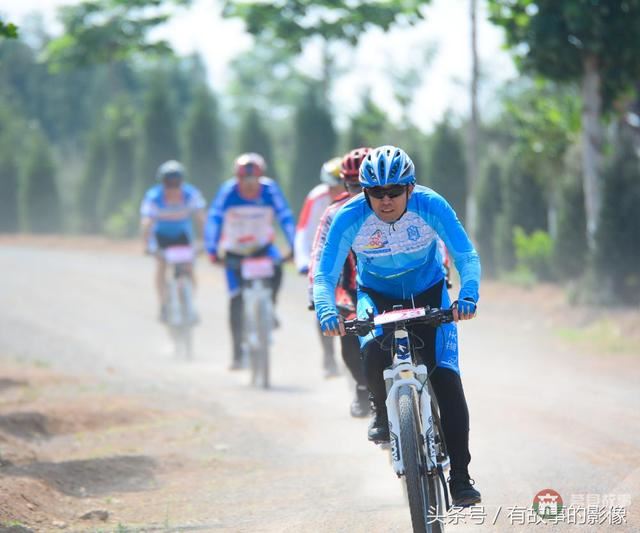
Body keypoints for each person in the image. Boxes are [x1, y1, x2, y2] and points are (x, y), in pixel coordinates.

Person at [313, 145, 482, 507]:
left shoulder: (431, 205)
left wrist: (467, 294)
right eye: (375, 192)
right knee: (371, 354)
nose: (385, 200)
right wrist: (327, 309)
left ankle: (462, 476)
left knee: (447, 381)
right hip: (376, 295)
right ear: (364, 192)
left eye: (393, 192)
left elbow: (466, 254)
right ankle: (380, 408)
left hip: (430, 293)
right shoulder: (349, 216)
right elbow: (325, 274)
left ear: (410, 188)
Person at [205, 152, 295, 370]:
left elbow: (285, 217)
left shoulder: (270, 190)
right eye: (243, 180)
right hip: (235, 250)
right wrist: (212, 249)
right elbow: (215, 219)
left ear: (260, 178)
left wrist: (293, 246)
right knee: (236, 300)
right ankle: (237, 354)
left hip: (262, 248)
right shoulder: (228, 192)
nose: (248, 185)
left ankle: (270, 308)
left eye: (252, 180)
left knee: (278, 269)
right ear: (237, 179)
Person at [308, 147, 371, 416]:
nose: (362, 193)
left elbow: (436, 243)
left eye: (368, 185)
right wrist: (316, 293)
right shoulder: (334, 214)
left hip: (399, 288)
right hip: (350, 290)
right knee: (348, 334)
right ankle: (362, 387)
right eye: (355, 186)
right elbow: (319, 257)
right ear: (345, 185)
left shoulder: (404, 204)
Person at [295, 157, 346, 378]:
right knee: (321, 302)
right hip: (323, 256)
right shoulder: (317, 198)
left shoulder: (357, 195)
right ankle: (328, 355)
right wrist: (303, 262)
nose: (335, 191)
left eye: (340, 186)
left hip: (350, 258)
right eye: (331, 187)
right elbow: (303, 232)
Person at [140, 160, 206, 322]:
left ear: (182, 182)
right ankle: (163, 304)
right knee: (161, 265)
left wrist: (203, 241)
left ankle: (190, 303)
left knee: (189, 268)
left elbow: (201, 218)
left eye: (176, 182)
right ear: (162, 183)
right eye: (169, 183)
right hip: (161, 236)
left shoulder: (191, 194)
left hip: (182, 236)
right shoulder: (154, 197)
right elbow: (147, 222)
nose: (173, 187)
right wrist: (147, 244)